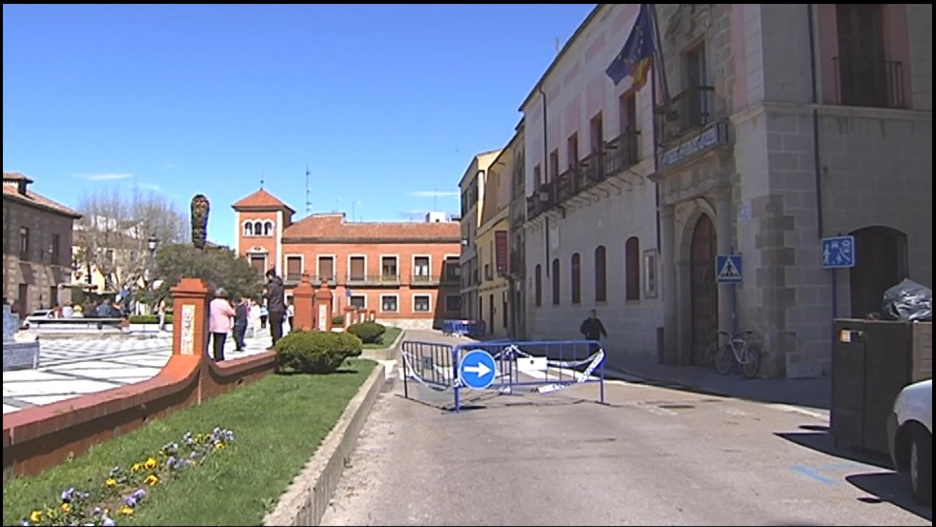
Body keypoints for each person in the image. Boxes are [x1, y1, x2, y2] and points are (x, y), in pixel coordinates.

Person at [209, 288, 236, 362]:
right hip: (222, 325)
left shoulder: (212, 302)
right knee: (221, 342)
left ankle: (215, 355)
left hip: (213, 324)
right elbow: (232, 313)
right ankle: (220, 356)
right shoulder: (224, 303)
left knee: (215, 342)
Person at [263, 269, 286, 347]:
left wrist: (264, 294)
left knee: (274, 327)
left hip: (273, 308)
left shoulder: (272, 285)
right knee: (279, 326)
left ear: (270, 276)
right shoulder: (281, 285)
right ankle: (280, 342)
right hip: (281, 308)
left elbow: (269, 295)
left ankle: (275, 343)